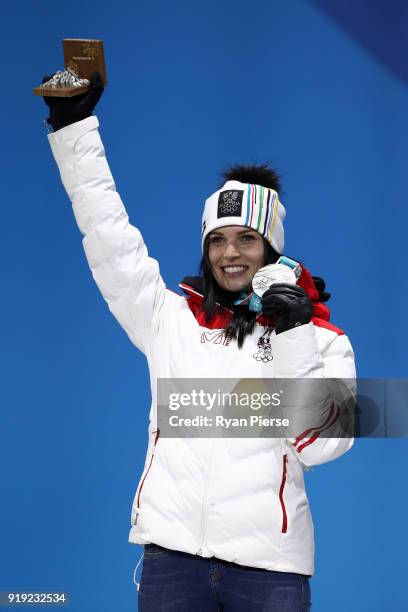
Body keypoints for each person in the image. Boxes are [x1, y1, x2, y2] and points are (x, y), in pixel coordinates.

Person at [41, 72, 356, 612]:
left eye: (246, 238)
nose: (230, 253)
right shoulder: (169, 317)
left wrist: (294, 333)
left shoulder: (324, 337)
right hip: (172, 564)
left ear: (272, 247)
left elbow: (323, 445)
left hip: (270, 572)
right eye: (217, 240)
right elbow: (109, 237)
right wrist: (73, 127)